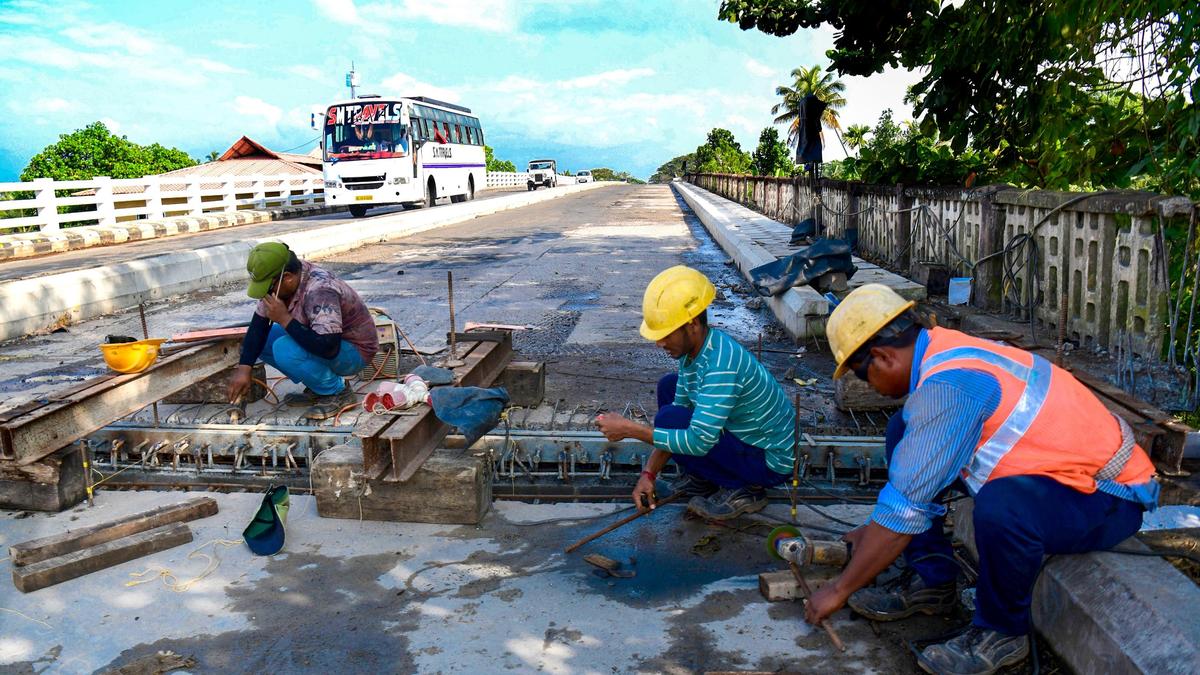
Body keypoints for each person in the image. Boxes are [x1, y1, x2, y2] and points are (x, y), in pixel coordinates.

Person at [805, 284, 1158, 675]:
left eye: (865, 379)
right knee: (903, 431)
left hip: (1108, 496)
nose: (871, 388)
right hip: (1058, 476)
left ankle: (1002, 633)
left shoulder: (949, 387)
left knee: (1002, 506)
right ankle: (932, 580)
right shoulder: (944, 348)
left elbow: (906, 508)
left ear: (883, 357)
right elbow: (916, 475)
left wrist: (838, 590)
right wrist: (872, 529)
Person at [595, 265, 798, 520]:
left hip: (767, 462)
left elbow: (698, 440)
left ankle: (746, 489)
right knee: (669, 388)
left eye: (666, 334)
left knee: (670, 419)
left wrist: (630, 429)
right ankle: (701, 479)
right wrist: (649, 474)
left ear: (691, 324)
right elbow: (680, 413)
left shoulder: (720, 365)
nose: (659, 343)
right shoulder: (695, 352)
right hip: (745, 439)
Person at [227, 242, 379, 420]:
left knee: (283, 348)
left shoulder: (320, 290)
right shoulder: (282, 286)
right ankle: (318, 388)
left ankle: (338, 392)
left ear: (288, 277)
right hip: (321, 340)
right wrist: (244, 368)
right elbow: (258, 328)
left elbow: (329, 348)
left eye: (268, 288)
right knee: (267, 339)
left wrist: (285, 319)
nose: (266, 294)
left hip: (353, 351)